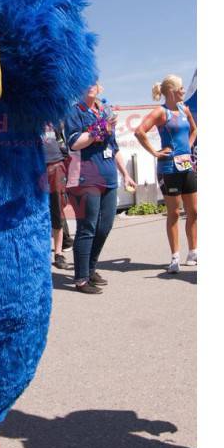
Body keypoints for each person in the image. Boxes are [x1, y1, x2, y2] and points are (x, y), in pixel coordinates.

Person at [64, 83, 136, 294]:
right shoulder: (74, 111)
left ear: (99, 86)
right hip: (86, 178)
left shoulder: (105, 111)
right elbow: (74, 143)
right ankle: (81, 278)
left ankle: (91, 268)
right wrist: (98, 129)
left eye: (93, 82)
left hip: (109, 177)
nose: (89, 86)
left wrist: (125, 173)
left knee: (104, 227)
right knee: (87, 228)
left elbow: (113, 148)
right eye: (84, 82)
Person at [135, 74, 197, 273]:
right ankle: (175, 257)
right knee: (174, 213)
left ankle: (193, 252)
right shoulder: (160, 112)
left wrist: (186, 147)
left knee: (194, 211)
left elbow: (194, 130)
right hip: (169, 169)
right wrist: (155, 152)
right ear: (171, 91)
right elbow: (139, 131)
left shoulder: (184, 109)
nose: (183, 92)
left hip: (186, 166)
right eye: (181, 89)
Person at [42, 123, 70, 270]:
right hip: (35, 169)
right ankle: (41, 252)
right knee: (37, 213)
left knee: (57, 211)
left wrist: (63, 162)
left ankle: (58, 254)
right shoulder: (26, 119)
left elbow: (60, 141)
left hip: (56, 166)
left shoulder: (53, 120)